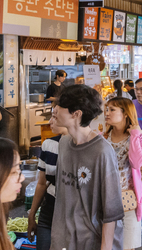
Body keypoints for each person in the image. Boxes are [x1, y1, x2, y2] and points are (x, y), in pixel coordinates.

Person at [50, 84, 124, 250]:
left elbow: (111, 211)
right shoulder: (63, 143)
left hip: (91, 241)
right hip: (64, 239)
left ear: (76, 114)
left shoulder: (102, 151)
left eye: (60, 106)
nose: (55, 109)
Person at [104, 98, 142, 250]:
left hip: (128, 200)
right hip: (104, 199)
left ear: (125, 114)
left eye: (112, 110)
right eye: (107, 109)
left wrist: (135, 135)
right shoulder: (102, 137)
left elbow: (137, 163)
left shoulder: (140, 138)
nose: (107, 113)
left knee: (128, 246)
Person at [28, 103, 67, 250]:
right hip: (49, 209)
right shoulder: (49, 145)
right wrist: (32, 214)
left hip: (72, 214)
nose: (51, 121)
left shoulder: (85, 147)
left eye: (55, 117)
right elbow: (42, 183)